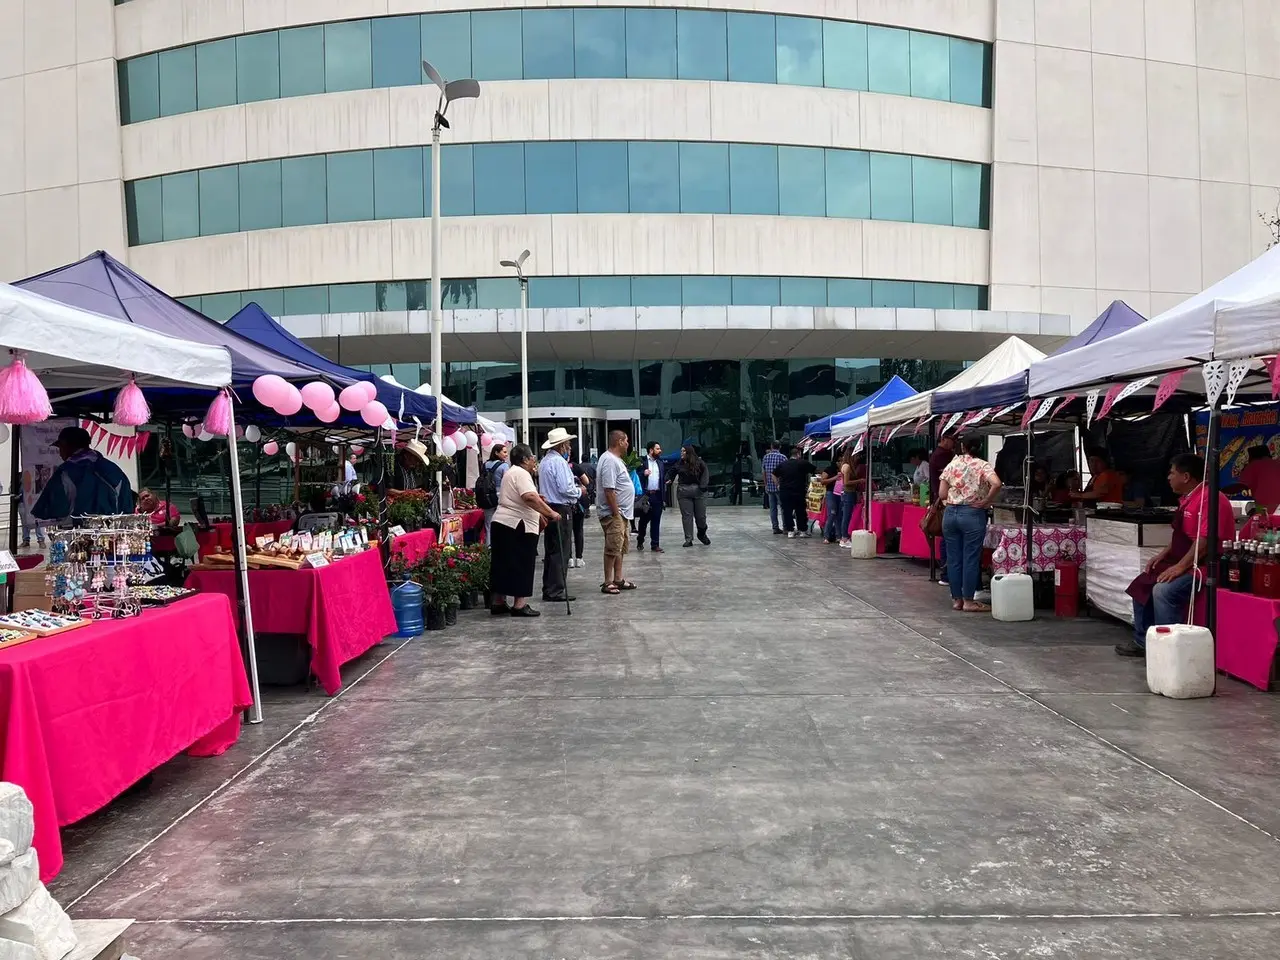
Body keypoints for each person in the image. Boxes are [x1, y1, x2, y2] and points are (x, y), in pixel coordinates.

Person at [1121, 452, 1234, 658]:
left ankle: (1171, 648)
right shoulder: (1187, 499)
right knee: (1143, 582)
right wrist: (1162, 555)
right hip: (1186, 559)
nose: (1168, 477)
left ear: (1186, 477)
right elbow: (1181, 535)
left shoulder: (1210, 499)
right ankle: (1142, 640)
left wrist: (1180, 567)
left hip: (1207, 564)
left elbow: (1204, 541)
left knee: (1163, 591)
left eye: (1172, 473)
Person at [489, 444, 561, 618]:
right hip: (517, 525)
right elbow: (528, 497)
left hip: (503, 522)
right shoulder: (521, 473)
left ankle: (498, 601)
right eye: (531, 457)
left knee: (503, 563)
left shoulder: (511, 472)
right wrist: (550, 512)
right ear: (524, 460)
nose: (533, 461)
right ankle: (519, 604)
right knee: (521, 562)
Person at [938, 435, 1002, 612]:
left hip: (950, 514)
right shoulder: (982, 465)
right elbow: (996, 483)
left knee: (953, 558)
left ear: (962, 446)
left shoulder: (952, 464)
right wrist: (987, 500)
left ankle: (956, 600)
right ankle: (968, 600)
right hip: (973, 514)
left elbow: (942, 494)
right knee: (971, 558)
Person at [32, 426, 133, 521]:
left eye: (60, 447)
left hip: (78, 534)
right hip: (115, 533)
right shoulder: (114, 469)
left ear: (66, 446)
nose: (59, 453)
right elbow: (127, 507)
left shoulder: (65, 472)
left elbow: (49, 509)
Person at [537, 428, 583, 604]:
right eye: (567, 443)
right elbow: (565, 488)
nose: (569, 447)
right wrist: (579, 492)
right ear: (562, 444)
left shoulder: (545, 462)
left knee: (551, 549)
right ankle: (556, 588)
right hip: (560, 507)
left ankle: (550, 587)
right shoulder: (559, 462)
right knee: (561, 550)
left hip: (549, 506)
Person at [596, 430, 636, 595]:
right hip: (614, 514)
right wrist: (615, 513)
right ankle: (607, 581)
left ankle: (618, 579)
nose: (628, 444)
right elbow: (609, 490)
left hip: (622, 513)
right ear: (619, 441)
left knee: (620, 547)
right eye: (626, 441)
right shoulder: (609, 461)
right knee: (612, 547)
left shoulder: (616, 460)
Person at [928, 434, 957, 584]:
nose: (954, 443)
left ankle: (948, 574)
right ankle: (946, 574)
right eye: (953, 439)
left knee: (948, 538)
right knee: (948, 539)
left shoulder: (942, 455)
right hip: (945, 502)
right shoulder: (942, 456)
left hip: (945, 501)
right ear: (944, 438)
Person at [773, 444, 817, 538]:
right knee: (800, 511)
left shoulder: (783, 464)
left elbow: (774, 474)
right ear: (798, 454)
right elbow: (815, 470)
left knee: (787, 512)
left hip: (785, 492)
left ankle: (790, 531)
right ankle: (802, 531)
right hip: (798, 491)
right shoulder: (802, 463)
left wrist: (777, 484)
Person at [674, 444, 711, 548]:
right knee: (687, 516)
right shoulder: (679, 463)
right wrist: (668, 479)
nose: (681, 453)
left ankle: (702, 533)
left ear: (689, 453)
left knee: (701, 517)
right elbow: (672, 471)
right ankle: (688, 538)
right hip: (684, 491)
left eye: (684, 451)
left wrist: (703, 485)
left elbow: (705, 473)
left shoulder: (699, 463)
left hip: (699, 491)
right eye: (681, 451)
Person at [636, 441, 667, 553]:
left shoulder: (660, 463)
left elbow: (662, 479)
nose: (660, 451)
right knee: (643, 521)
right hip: (646, 496)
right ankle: (640, 539)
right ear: (651, 450)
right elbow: (634, 476)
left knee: (656, 520)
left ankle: (655, 544)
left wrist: (664, 498)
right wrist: (642, 474)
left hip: (657, 495)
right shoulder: (642, 462)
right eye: (658, 449)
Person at [480, 443, 509, 545]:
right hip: (500, 495)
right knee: (502, 523)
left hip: (486, 496)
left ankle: (488, 548)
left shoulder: (485, 464)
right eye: (504, 452)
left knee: (488, 525)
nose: (506, 454)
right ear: (496, 453)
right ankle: (500, 547)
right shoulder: (504, 466)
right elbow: (506, 482)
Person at [1237, 445, 1280, 512]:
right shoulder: (1277, 463)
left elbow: (1241, 485)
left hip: (1264, 508)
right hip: (1277, 509)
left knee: (1253, 510)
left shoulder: (1253, 465)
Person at [761, 441, 787, 534]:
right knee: (783, 507)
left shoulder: (766, 457)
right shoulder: (783, 457)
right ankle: (785, 527)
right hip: (780, 486)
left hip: (770, 487)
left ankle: (775, 527)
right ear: (780, 447)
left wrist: (766, 484)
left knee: (772, 508)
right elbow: (786, 471)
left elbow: (763, 472)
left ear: (771, 446)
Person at [836, 450, 859, 548]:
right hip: (848, 493)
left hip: (848, 493)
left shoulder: (844, 465)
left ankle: (844, 537)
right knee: (846, 516)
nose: (857, 458)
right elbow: (846, 482)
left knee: (847, 516)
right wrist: (860, 480)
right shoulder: (847, 466)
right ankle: (844, 538)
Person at [819, 460, 843, 544]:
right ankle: (826, 536)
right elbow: (822, 481)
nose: (841, 462)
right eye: (840, 460)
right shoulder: (829, 469)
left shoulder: (844, 469)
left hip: (840, 494)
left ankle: (838, 536)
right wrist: (835, 478)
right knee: (832, 514)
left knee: (839, 515)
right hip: (831, 493)